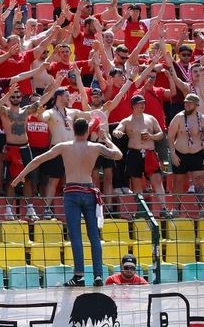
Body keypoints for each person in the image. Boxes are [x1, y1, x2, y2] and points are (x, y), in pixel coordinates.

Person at [12, 117, 124, 286]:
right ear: (87, 131)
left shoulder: (64, 146)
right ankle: (98, 275)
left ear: (73, 130)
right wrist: (107, 139)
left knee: (76, 236)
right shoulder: (96, 147)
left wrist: (20, 175)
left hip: (72, 192)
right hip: (88, 192)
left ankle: (79, 275)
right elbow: (118, 155)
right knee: (94, 236)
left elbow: (38, 160)